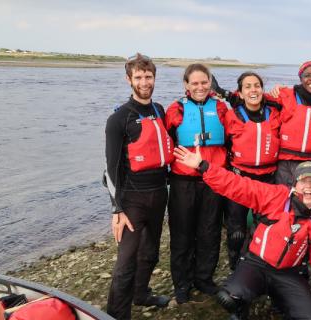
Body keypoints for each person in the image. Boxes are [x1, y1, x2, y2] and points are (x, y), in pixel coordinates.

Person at [173, 147, 311, 320]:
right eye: (303, 181)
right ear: (295, 184)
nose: (308, 186)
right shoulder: (276, 196)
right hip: (256, 264)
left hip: (289, 273)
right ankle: (241, 305)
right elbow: (238, 186)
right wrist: (203, 166)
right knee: (228, 297)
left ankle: (280, 297)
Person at [103, 53, 172, 319]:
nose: (145, 82)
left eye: (149, 76)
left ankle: (141, 294)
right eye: (139, 77)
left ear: (154, 78)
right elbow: (110, 169)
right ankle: (117, 314)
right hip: (132, 199)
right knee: (126, 262)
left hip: (158, 193)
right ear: (129, 79)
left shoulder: (159, 111)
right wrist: (116, 209)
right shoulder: (118, 119)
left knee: (151, 252)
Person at [164, 64, 228, 303]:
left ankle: (204, 278)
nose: (200, 87)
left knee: (209, 231)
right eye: (195, 83)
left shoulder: (221, 109)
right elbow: (165, 142)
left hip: (213, 179)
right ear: (186, 85)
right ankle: (182, 283)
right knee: (182, 234)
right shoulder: (175, 110)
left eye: (204, 82)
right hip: (183, 181)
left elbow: (234, 136)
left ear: (210, 83)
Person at [221, 72, 282, 270]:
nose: (253, 90)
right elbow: (224, 145)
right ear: (240, 92)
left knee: (264, 226)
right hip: (240, 179)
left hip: (268, 179)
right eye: (247, 86)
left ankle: (259, 265)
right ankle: (234, 268)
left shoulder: (274, 113)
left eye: (257, 85)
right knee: (236, 231)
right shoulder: (232, 116)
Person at [268, 61, 311, 222]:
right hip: (287, 162)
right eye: (307, 75)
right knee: (286, 205)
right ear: (301, 78)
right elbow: (255, 99)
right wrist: (226, 95)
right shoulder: (287, 95)